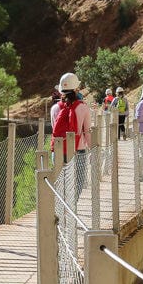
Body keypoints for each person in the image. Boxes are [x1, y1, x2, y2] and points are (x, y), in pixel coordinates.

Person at [50, 71, 92, 200]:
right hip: (78, 151)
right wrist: (92, 149)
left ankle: (60, 210)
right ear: (76, 89)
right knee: (77, 183)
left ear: (61, 91)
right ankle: (71, 208)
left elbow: (54, 129)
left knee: (60, 183)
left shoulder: (54, 108)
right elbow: (87, 131)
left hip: (57, 151)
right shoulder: (84, 108)